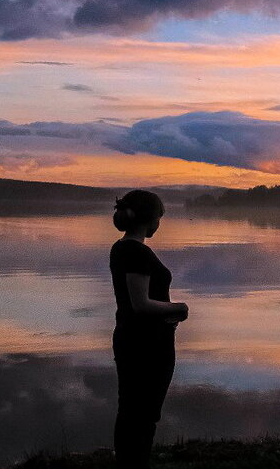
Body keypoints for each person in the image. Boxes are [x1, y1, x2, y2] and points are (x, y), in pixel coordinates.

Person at [109, 190, 189, 468]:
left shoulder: (121, 248)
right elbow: (140, 304)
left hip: (133, 339)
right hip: (147, 346)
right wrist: (178, 307)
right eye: (159, 217)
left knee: (131, 409)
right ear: (149, 218)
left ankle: (129, 462)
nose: (160, 224)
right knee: (143, 413)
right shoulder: (136, 252)